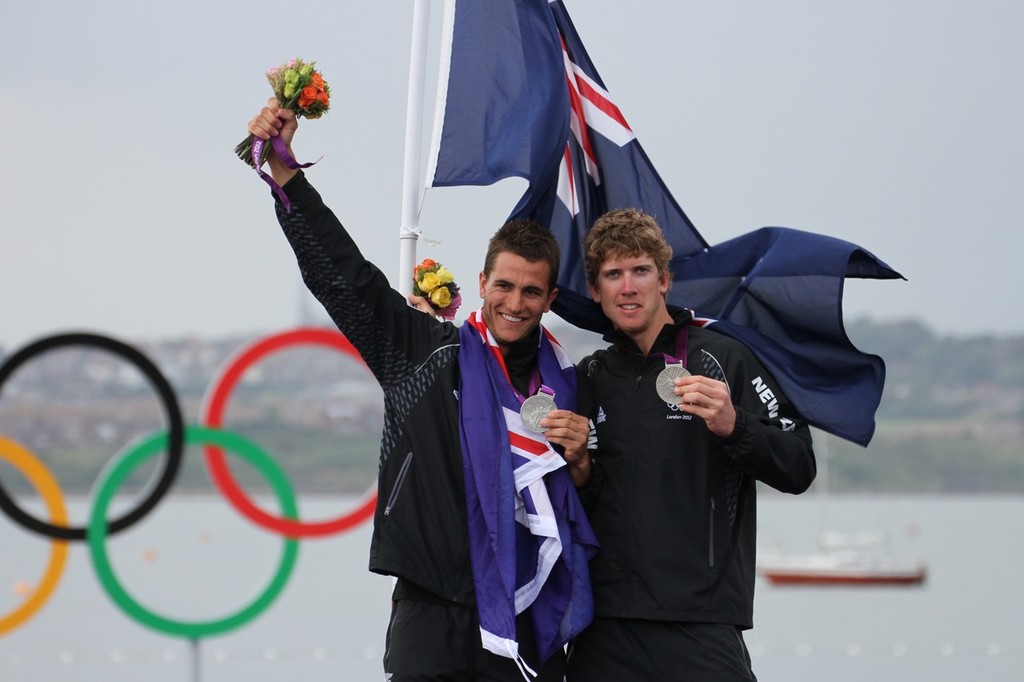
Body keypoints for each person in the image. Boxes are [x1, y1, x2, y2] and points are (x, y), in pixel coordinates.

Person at [245, 100, 597, 682]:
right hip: (428, 607)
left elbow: (586, 506)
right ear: (482, 282)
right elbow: (342, 275)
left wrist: (582, 460)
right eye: (504, 285)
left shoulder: (567, 387)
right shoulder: (427, 352)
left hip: (524, 614)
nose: (514, 302)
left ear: (549, 299)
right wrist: (284, 173)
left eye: (531, 292)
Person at [563, 208, 817, 681]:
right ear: (596, 291)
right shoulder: (589, 377)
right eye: (613, 275)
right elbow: (579, 496)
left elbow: (799, 464)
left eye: (640, 270)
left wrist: (734, 424)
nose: (628, 286)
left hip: (700, 621)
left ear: (664, 280)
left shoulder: (723, 358)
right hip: (605, 627)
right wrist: (578, 464)